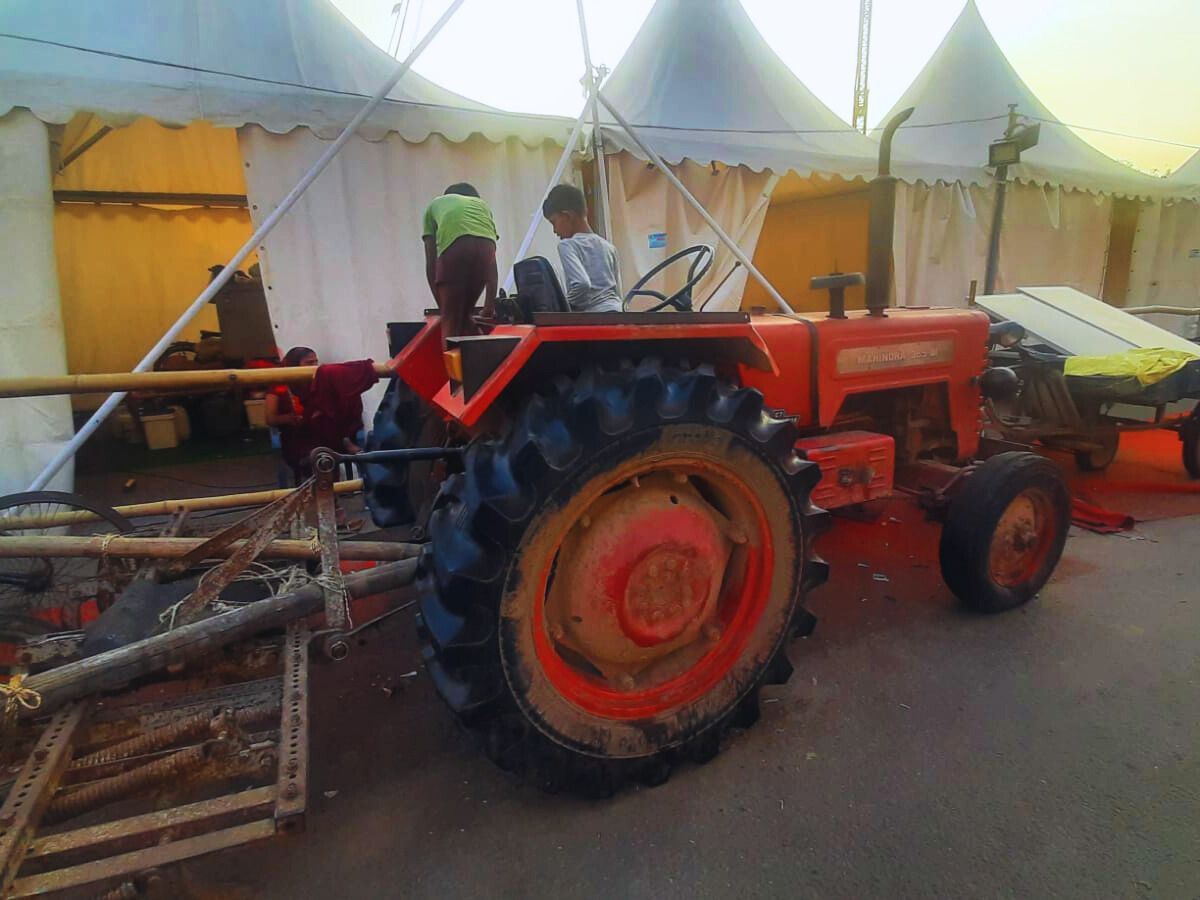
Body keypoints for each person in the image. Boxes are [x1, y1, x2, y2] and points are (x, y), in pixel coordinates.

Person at [422, 183, 499, 341]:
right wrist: (489, 307)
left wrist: (444, 307)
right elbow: (492, 264)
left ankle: (453, 365)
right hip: (487, 247)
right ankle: (482, 362)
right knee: (465, 315)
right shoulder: (482, 207)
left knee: (451, 321)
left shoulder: (435, 206)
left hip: (457, 247)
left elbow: (431, 263)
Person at [542, 183, 621, 313]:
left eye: (554, 222)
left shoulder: (567, 245)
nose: (554, 231)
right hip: (618, 313)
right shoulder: (609, 247)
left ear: (567, 216)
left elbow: (581, 284)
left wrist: (563, 307)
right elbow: (617, 292)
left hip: (593, 319)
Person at [265, 346, 318, 485]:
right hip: (293, 436)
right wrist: (289, 418)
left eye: (315, 362)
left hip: (317, 431)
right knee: (310, 454)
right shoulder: (278, 386)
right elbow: (270, 419)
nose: (314, 366)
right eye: (309, 363)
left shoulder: (317, 382)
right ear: (294, 364)